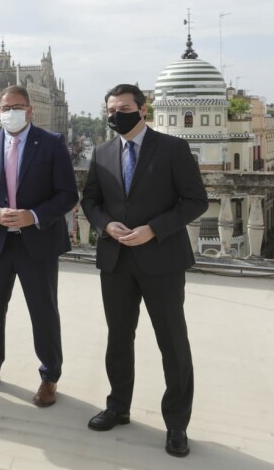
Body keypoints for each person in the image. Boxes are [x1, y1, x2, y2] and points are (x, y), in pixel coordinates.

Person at [81, 83, 207, 458]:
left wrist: (154, 229)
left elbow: (195, 200)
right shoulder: (102, 152)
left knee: (172, 342)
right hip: (115, 260)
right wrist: (105, 225)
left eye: (122, 107)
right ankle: (118, 406)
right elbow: (90, 199)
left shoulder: (172, 148)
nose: (115, 114)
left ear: (142, 110)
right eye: (110, 108)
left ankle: (177, 425)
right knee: (118, 338)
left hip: (162, 260)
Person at [0, 85, 78, 407]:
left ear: (29, 110)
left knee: (43, 311)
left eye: (17, 106)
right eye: (5, 107)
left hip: (37, 243)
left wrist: (34, 215)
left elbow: (68, 194)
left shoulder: (52, 143)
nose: (10, 112)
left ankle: (49, 376)